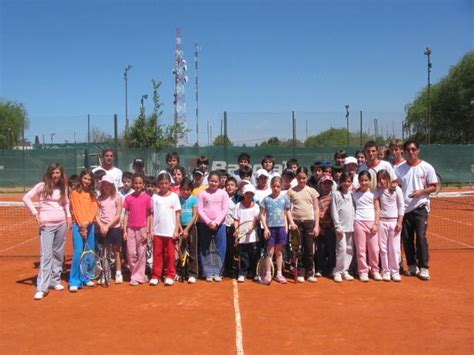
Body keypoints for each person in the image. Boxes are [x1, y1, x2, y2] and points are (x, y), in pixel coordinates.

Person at [23, 163, 71, 300]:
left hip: (61, 223)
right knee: (46, 256)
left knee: (58, 253)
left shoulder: (63, 187)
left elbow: (66, 203)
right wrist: (35, 214)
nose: (55, 175)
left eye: (58, 173)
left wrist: (68, 217)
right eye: (53, 173)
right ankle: (42, 287)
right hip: (47, 226)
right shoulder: (42, 186)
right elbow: (26, 198)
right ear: (49, 173)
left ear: (61, 174)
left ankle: (54, 280)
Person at [395, 140, 438, 281]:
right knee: (406, 239)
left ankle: (424, 267)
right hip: (405, 210)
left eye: (413, 149)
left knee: (420, 237)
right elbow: (397, 187)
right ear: (404, 152)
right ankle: (412, 265)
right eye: (408, 150)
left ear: (418, 150)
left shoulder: (427, 167)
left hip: (421, 208)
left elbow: (433, 187)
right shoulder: (400, 169)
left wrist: (421, 192)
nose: (411, 152)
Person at [286, 167, 320, 283]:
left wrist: (316, 225)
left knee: (309, 249)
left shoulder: (312, 191)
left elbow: (316, 209)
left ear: (307, 177)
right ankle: (300, 272)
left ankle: (310, 272)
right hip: (296, 223)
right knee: (298, 249)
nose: (302, 181)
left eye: (304, 178)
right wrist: (291, 222)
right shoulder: (290, 192)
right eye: (300, 178)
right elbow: (287, 209)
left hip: (309, 222)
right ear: (296, 178)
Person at [260, 176, 296, 285]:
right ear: (271, 186)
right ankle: (268, 273)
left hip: (281, 228)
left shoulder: (284, 199)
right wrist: (265, 228)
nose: (276, 188)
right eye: (274, 186)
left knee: (279, 252)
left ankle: (279, 273)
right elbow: (262, 215)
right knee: (269, 252)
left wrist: (292, 223)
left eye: (278, 186)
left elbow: (288, 212)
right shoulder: (266, 199)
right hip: (270, 229)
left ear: (281, 187)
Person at [149, 173, 181, 286]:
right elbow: (152, 215)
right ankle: (156, 275)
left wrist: (176, 229)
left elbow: (177, 214)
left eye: (166, 183)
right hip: (157, 231)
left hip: (170, 232)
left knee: (170, 255)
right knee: (157, 254)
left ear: (169, 184)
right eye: (161, 183)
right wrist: (151, 230)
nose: (163, 185)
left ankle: (170, 274)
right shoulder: (155, 197)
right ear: (158, 184)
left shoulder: (174, 197)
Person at [68, 169, 98, 292]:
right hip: (78, 225)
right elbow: (75, 209)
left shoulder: (92, 194)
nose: (86, 181)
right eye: (85, 178)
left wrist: (88, 222)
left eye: (89, 179)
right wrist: (82, 225)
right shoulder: (74, 192)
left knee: (90, 252)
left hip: (90, 226)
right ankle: (74, 281)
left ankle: (86, 277)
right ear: (81, 179)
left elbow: (93, 209)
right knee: (78, 252)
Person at [197, 171, 229, 281]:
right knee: (204, 248)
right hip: (204, 225)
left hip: (220, 225)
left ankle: (218, 273)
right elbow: (200, 209)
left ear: (220, 182)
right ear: (208, 181)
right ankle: (208, 273)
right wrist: (208, 222)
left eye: (216, 181)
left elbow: (225, 209)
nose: (213, 183)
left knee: (221, 248)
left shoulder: (223, 193)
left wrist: (216, 222)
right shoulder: (202, 193)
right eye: (211, 181)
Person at [122, 174, 153, 286]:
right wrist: (125, 230)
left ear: (143, 184)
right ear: (132, 184)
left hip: (142, 229)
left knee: (141, 253)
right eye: (135, 183)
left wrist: (148, 231)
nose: (138, 185)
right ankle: (138, 274)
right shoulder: (128, 198)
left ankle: (137, 276)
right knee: (130, 253)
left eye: (140, 183)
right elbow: (126, 214)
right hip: (130, 228)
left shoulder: (147, 198)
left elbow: (149, 215)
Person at [374, 170, 404, 282]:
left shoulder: (397, 190)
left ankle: (395, 271)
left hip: (394, 222)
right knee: (383, 248)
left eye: (384, 178)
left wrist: (400, 222)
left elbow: (401, 206)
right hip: (382, 222)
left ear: (388, 178)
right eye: (379, 179)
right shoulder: (378, 191)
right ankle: (385, 271)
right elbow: (370, 198)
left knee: (395, 248)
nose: (382, 181)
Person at [352, 170, 381, 282]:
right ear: (358, 181)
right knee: (361, 249)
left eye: (366, 180)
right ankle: (363, 271)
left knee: (374, 249)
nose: (364, 182)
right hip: (358, 222)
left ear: (369, 181)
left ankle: (375, 270)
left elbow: (377, 209)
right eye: (361, 180)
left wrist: (376, 224)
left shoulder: (374, 194)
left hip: (371, 223)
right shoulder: (354, 194)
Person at [96, 175, 123, 284]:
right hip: (103, 228)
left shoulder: (117, 197)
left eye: (109, 184)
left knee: (116, 251)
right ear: (102, 186)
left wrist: (108, 226)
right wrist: (102, 226)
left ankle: (118, 272)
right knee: (104, 252)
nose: (106, 186)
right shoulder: (99, 199)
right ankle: (105, 273)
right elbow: (96, 215)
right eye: (104, 184)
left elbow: (118, 215)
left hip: (115, 228)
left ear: (112, 186)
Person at [331, 173, 355, 283]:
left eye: (349, 181)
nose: (347, 183)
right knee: (342, 249)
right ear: (340, 182)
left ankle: (345, 270)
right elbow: (334, 211)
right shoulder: (335, 194)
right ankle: (337, 271)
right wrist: (337, 226)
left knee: (349, 249)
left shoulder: (351, 194)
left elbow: (353, 209)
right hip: (340, 227)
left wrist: (354, 223)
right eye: (345, 181)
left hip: (351, 226)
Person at [233, 184, 260, 283]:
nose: (249, 195)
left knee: (253, 254)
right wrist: (237, 230)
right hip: (242, 236)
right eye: (247, 193)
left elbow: (257, 220)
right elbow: (236, 219)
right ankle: (242, 273)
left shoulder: (256, 206)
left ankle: (253, 273)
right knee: (243, 255)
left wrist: (252, 228)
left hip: (253, 236)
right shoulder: (238, 206)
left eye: (251, 194)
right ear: (244, 194)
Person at [178, 178, 199, 283]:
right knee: (181, 251)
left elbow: (194, 215)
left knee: (192, 251)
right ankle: (181, 273)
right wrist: (181, 228)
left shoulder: (194, 199)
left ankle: (192, 274)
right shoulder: (178, 199)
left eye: (188, 189)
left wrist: (186, 229)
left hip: (191, 228)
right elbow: (176, 215)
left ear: (191, 189)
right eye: (183, 189)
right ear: (180, 189)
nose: (185, 192)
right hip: (180, 228)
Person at [315, 175, 336, 277]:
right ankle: (320, 269)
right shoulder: (317, 199)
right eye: (325, 183)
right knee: (321, 250)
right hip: (321, 228)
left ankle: (332, 268)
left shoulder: (335, 198)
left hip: (332, 229)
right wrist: (319, 226)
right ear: (321, 185)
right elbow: (315, 214)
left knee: (332, 249)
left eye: (329, 183)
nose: (327, 185)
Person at [224, 177, 240, 276]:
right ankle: (226, 268)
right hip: (224, 226)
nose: (230, 187)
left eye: (232, 185)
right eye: (228, 185)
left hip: (235, 227)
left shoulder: (239, 199)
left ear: (236, 188)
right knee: (225, 247)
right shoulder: (222, 197)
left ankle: (232, 267)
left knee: (233, 248)